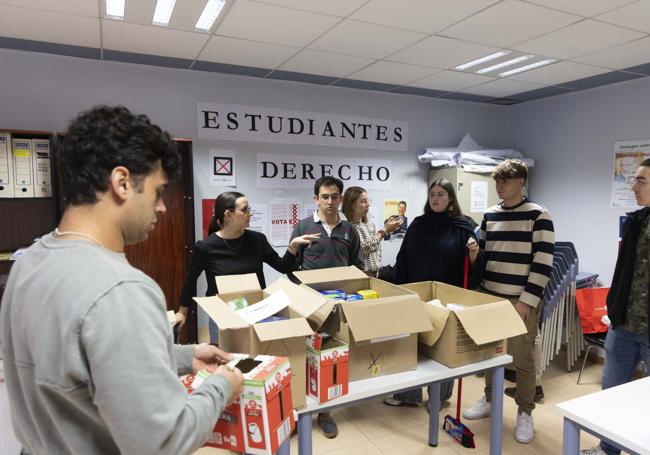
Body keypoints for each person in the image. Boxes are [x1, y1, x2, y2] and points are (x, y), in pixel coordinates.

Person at [0, 105, 245, 454]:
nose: (161, 207)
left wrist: (184, 356)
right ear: (122, 182)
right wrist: (222, 386)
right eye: (158, 192)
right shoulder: (122, 290)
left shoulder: (28, 262)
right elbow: (165, 440)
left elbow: (82, 368)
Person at [462, 159, 555, 445]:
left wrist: (527, 301)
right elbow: (486, 256)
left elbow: (543, 262)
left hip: (520, 299)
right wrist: (475, 255)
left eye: (506, 181)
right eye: (498, 182)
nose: (500, 186)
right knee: (491, 352)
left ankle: (525, 411)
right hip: (491, 294)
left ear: (521, 183)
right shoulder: (490, 215)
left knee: (523, 358)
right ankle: (490, 398)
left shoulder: (538, 214)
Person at [382, 178, 482, 409]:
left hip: (447, 295)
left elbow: (474, 266)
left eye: (441, 195)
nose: (435, 199)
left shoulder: (463, 227)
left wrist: (474, 255)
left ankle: (438, 398)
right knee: (411, 343)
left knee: (442, 347)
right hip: (416, 291)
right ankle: (408, 395)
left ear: (450, 199)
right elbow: (403, 257)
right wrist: (400, 288)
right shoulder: (418, 224)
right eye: (432, 195)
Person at [175, 191, 319, 340]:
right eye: (245, 210)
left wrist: (292, 247)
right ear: (228, 215)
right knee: (226, 360)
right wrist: (182, 312)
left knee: (257, 360)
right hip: (223, 316)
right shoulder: (206, 247)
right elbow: (190, 280)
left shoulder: (257, 240)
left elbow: (283, 267)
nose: (250, 214)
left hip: (256, 313)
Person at [581, 159, 650, 455]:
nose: (633, 187)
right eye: (634, 180)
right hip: (623, 324)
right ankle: (607, 448)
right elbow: (625, 269)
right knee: (612, 391)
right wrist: (613, 306)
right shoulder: (635, 221)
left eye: (641, 181)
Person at [290, 176, 364, 439]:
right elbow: (290, 269)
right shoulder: (303, 226)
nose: (329, 201)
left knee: (329, 359)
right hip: (308, 305)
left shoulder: (349, 230)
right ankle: (300, 412)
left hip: (336, 306)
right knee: (302, 356)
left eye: (334, 196)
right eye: (324, 196)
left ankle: (326, 412)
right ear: (316, 199)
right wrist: (291, 248)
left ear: (340, 198)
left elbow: (357, 268)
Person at [341, 186, 402, 276]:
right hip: (359, 276)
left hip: (374, 275)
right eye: (363, 201)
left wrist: (375, 269)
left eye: (368, 200)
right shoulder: (345, 227)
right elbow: (360, 250)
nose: (368, 204)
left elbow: (377, 250)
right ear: (352, 204)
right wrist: (384, 231)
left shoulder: (370, 226)